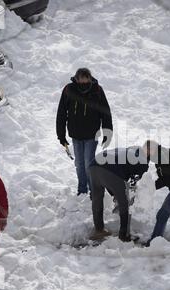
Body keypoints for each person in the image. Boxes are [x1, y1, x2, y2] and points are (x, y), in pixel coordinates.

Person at [56, 68, 113, 196]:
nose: (83, 82)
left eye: (85, 79)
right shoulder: (69, 90)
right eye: (80, 79)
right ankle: (82, 190)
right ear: (76, 79)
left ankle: (94, 190)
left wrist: (107, 131)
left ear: (89, 78)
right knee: (79, 164)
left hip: (91, 135)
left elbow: (105, 112)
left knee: (88, 164)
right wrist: (61, 135)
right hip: (76, 135)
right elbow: (61, 113)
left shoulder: (97, 90)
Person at [88, 145, 150, 242]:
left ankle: (99, 229)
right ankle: (124, 235)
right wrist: (123, 195)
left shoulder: (124, 151)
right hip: (110, 169)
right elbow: (133, 182)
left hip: (94, 164)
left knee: (97, 198)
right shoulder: (143, 162)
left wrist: (115, 192)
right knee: (124, 203)